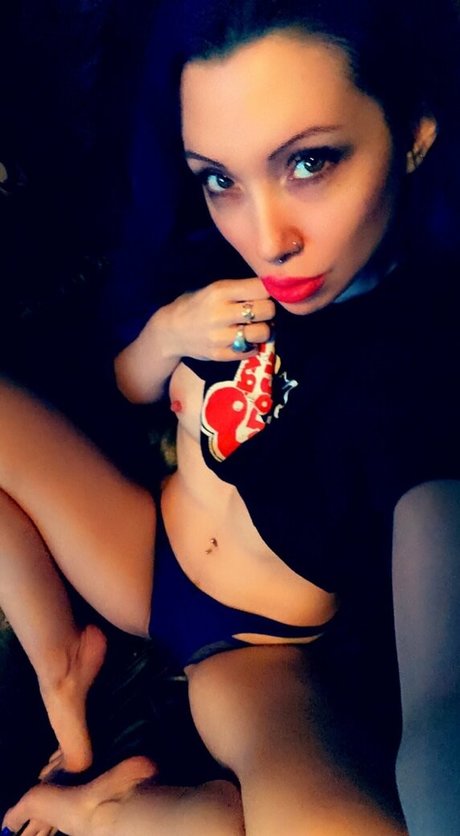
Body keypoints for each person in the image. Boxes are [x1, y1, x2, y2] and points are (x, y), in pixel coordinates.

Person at [2, 0, 460, 833]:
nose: (267, 236)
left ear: (415, 131)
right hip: (142, 548)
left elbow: (443, 709)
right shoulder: (216, 269)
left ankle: (111, 818)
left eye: (310, 163)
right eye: (220, 179)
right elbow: (126, 386)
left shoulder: (421, 367)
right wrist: (169, 333)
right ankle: (58, 659)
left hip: (253, 653)